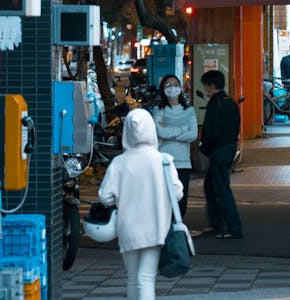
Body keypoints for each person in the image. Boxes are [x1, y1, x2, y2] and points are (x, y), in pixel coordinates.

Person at [99, 109, 182, 300]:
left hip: (128, 228)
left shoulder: (119, 163)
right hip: (155, 228)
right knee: (146, 277)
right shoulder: (164, 161)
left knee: (132, 277)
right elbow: (177, 193)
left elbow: (105, 197)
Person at [198, 70, 243, 239]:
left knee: (221, 189)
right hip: (229, 148)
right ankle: (216, 224)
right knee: (211, 186)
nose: (205, 88)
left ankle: (233, 228)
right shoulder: (230, 102)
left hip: (218, 151)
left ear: (210, 85)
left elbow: (211, 130)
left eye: (206, 85)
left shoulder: (215, 103)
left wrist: (205, 148)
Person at [153, 74, 198, 218]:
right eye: (168, 85)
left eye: (175, 84)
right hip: (164, 161)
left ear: (181, 87)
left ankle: (178, 228)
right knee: (164, 200)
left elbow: (193, 135)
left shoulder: (189, 110)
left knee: (181, 201)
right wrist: (182, 130)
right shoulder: (158, 109)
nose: (172, 88)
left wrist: (169, 131)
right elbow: (159, 132)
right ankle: (166, 230)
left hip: (184, 162)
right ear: (163, 89)